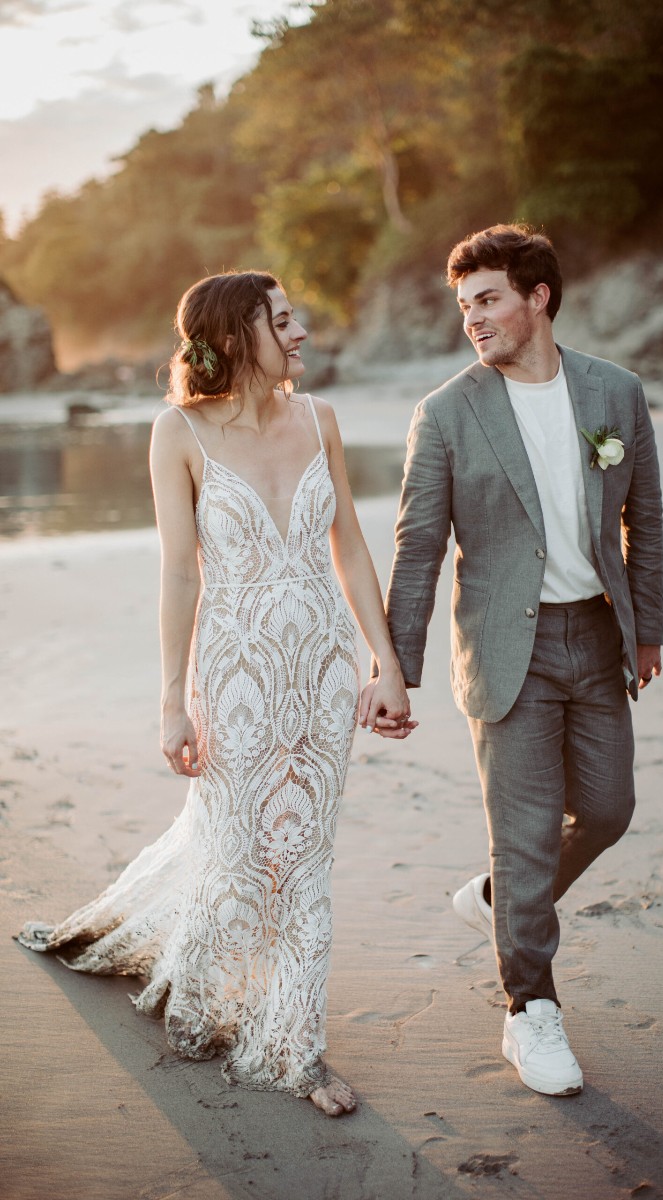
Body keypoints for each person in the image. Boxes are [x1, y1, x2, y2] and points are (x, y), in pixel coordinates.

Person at [17, 269, 415, 1118]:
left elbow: (350, 550)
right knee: (235, 843)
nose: (301, 331)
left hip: (319, 668)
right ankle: (203, 997)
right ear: (237, 337)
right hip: (232, 670)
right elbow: (177, 571)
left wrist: (384, 664)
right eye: (283, 319)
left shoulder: (322, 420)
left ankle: (293, 1050)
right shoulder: (179, 432)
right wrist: (171, 699)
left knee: (304, 858)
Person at [365, 225, 663, 1097]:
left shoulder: (616, 392)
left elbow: (643, 516)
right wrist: (396, 666)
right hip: (504, 654)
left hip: (598, 639)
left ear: (538, 297)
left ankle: (503, 899)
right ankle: (529, 1013)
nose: (474, 319)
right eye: (464, 307)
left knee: (608, 810)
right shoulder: (448, 412)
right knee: (527, 835)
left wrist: (648, 631)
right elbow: (418, 545)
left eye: (488, 299)